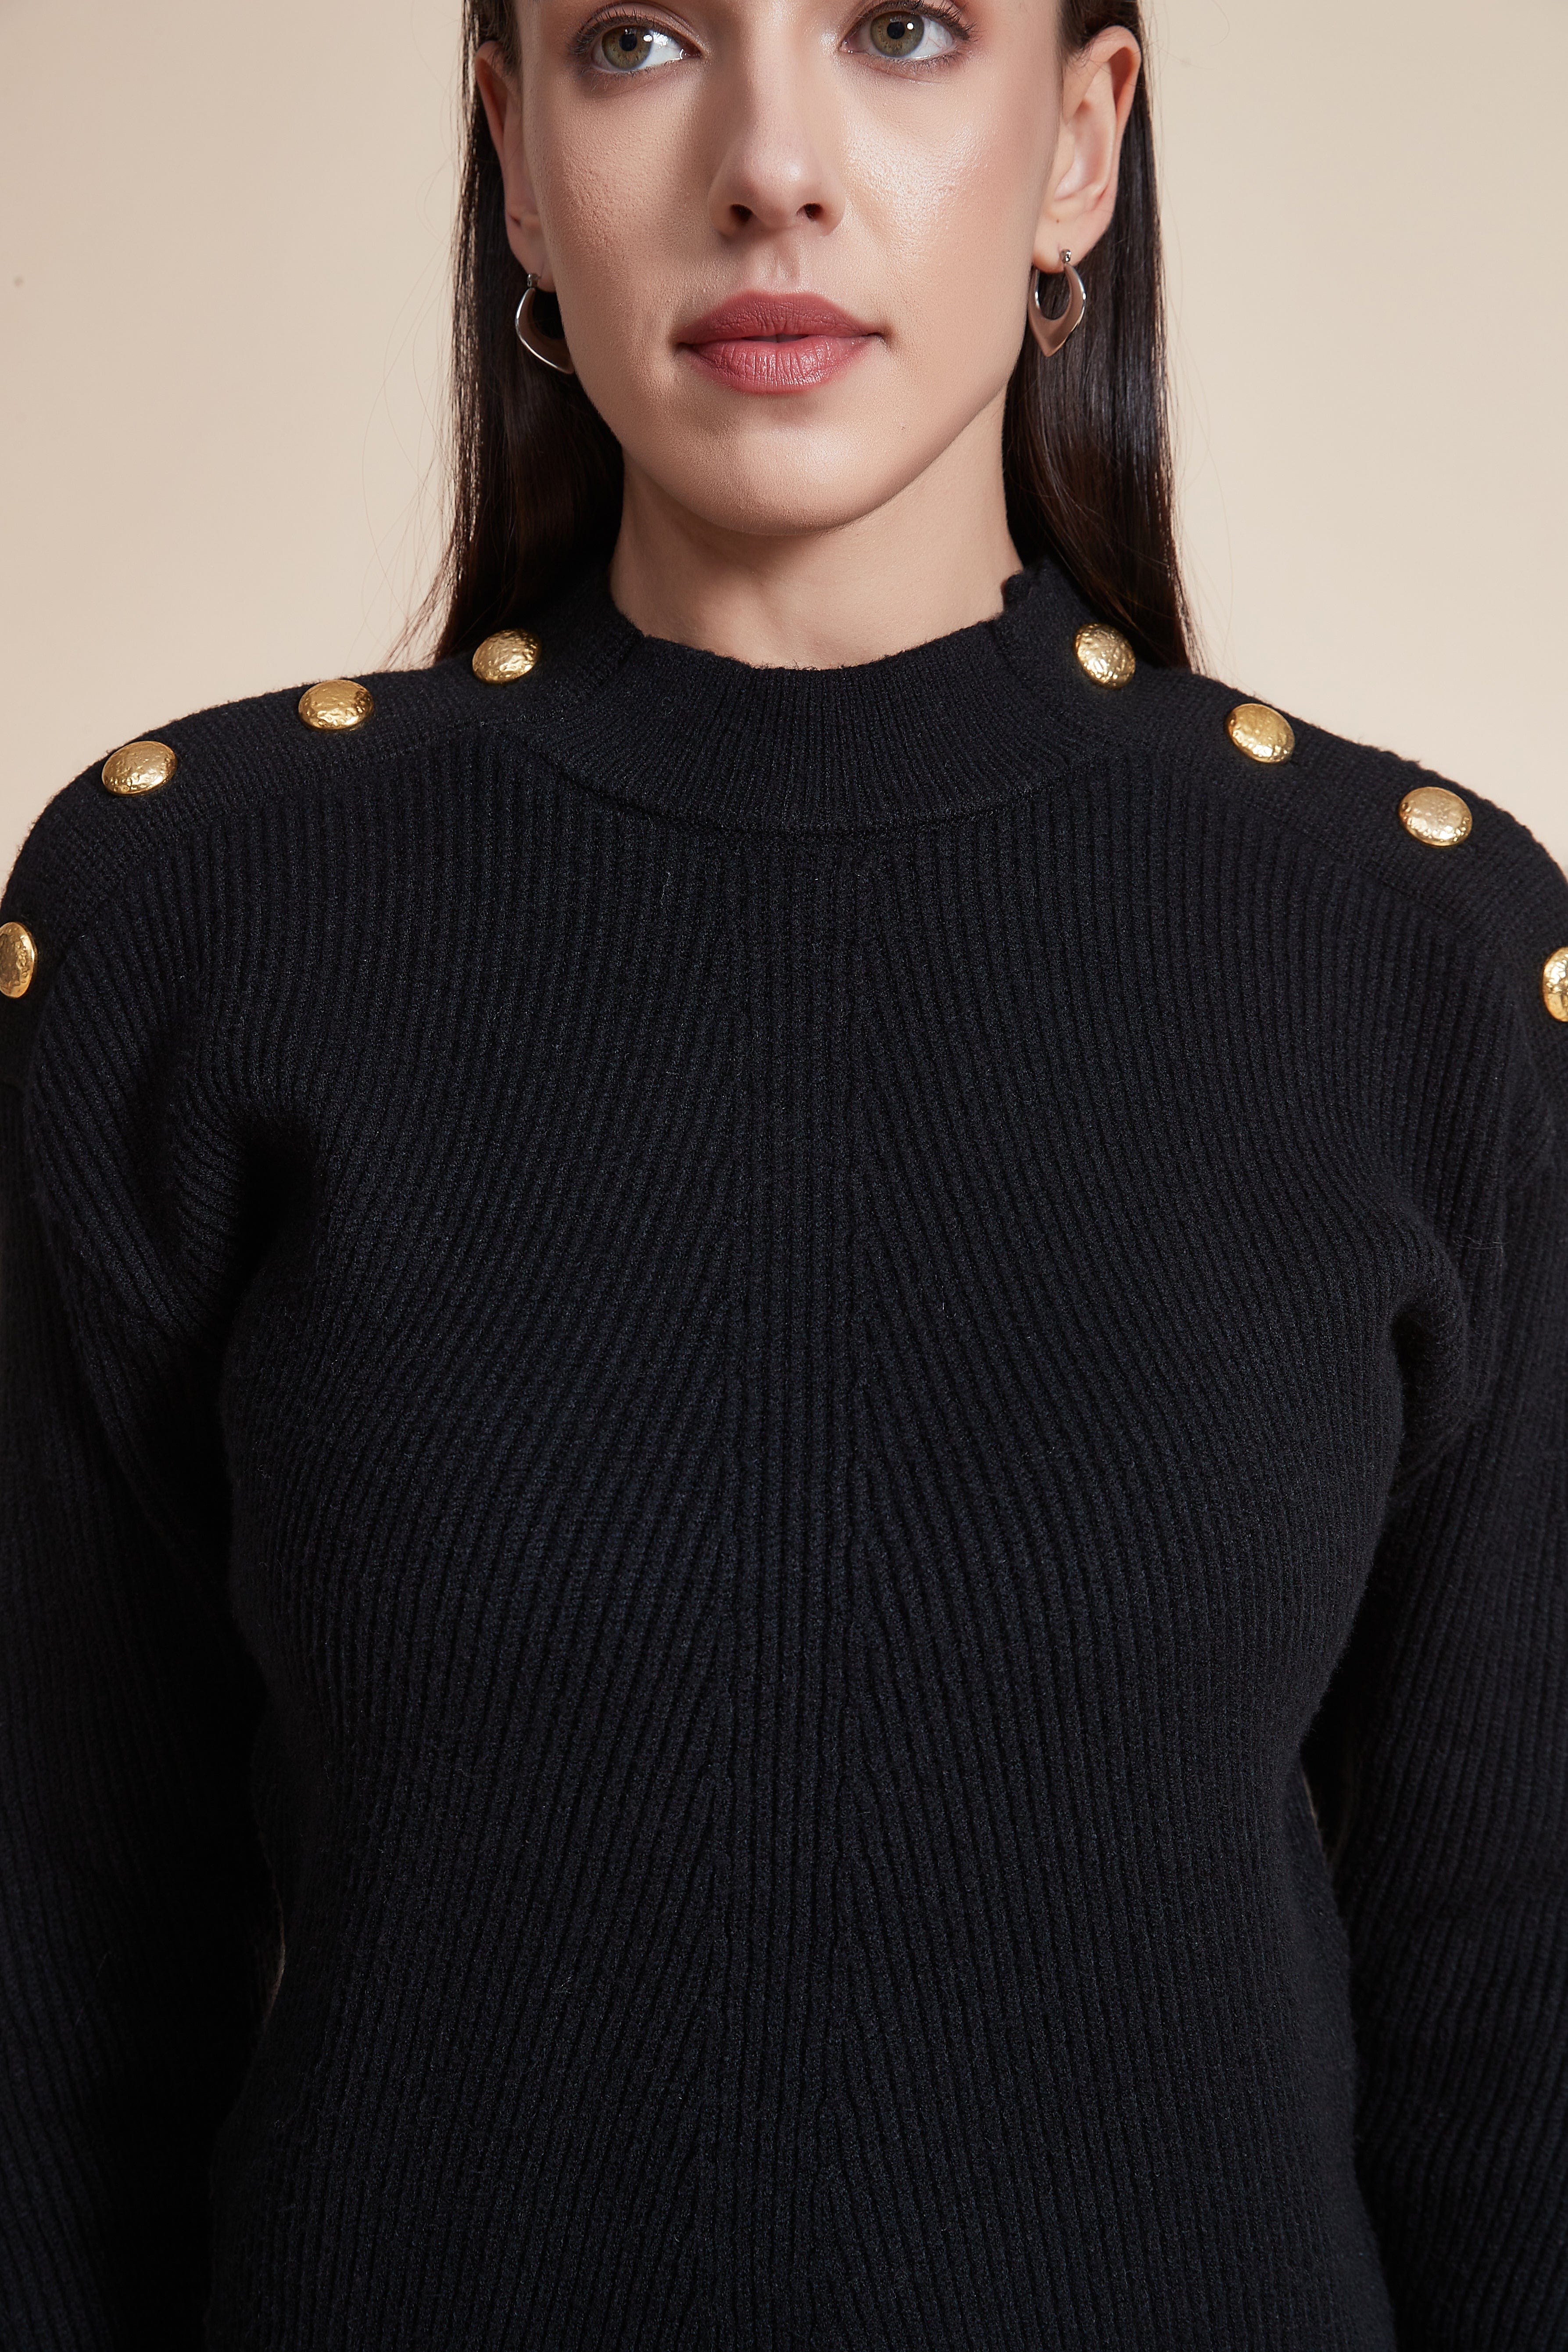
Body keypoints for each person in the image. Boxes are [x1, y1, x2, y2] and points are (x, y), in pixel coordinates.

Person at [1, 0, 1564, 2341]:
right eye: (641, 41)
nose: (772, 166)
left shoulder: (1417, 966)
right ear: (517, 158)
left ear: (1081, 141)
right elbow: (54, 2007)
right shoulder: (191, 931)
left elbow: (1509, 2045)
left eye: (903, 31)